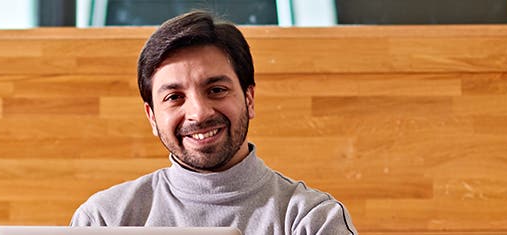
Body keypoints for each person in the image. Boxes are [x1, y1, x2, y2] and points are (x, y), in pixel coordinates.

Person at [69, 10, 357, 235]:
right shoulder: (103, 220)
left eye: (216, 90)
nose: (199, 113)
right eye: (174, 97)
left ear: (249, 99)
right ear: (152, 117)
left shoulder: (312, 219)